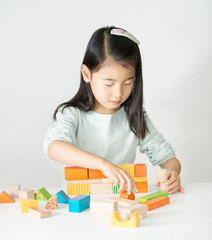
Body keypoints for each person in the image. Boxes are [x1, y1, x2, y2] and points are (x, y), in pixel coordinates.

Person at [43, 26, 184, 195]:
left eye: (127, 83)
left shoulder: (134, 116)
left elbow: (168, 158)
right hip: (77, 202)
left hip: (121, 202)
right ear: (86, 74)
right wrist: (103, 165)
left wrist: (172, 173)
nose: (118, 94)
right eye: (109, 83)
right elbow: (54, 147)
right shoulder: (73, 114)